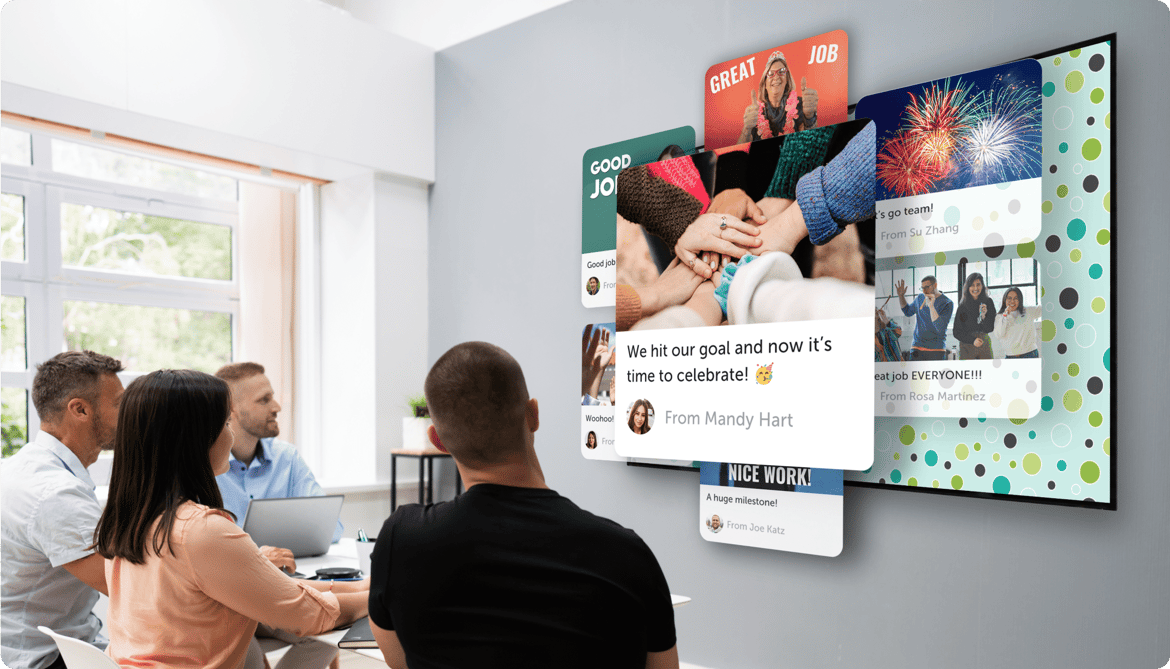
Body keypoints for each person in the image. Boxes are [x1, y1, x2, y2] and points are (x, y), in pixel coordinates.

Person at [367, 342, 678, 669]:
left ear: (438, 441)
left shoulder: (402, 540)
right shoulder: (627, 554)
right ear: (533, 415)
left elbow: (400, 661)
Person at [94, 369, 369, 669]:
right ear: (195, 439)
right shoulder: (201, 531)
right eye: (225, 422)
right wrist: (381, 597)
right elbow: (305, 613)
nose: (231, 434)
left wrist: (363, 588)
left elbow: (285, 593)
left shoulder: (130, 520)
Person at [212, 362, 342, 669]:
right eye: (264, 400)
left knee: (329, 627)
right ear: (231, 411)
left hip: (281, 586)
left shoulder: (287, 458)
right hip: (231, 599)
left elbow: (331, 529)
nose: (277, 407)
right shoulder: (207, 466)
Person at [1, 351, 124, 669]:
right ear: (80, 409)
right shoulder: (55, 494)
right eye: (119, 404)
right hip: (45, 658)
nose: (130, 415)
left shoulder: (24, 467)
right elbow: (126, 588)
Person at [736, 50, 819, 144]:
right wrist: (746, 129)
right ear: (765, 83)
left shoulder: (800, 104)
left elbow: (811, 141)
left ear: (787, 79)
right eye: (771, 73)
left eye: (782, 71)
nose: (776, 77)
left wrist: (809, 117)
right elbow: (740, 151)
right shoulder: (755, 112)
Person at [897, 275, 954, 361]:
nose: (924, 291)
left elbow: (940, 328)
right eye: (922, 288)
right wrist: (901, 296)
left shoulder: (947, 303)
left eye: (927, 287)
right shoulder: (920, 298)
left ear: (935, 285)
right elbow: (907, 311)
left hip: (936, 350)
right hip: (917, 347)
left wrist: (931, 306)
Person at [954, 272, 997, 360]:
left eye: (978, 284)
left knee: (987, 371)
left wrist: (984, 316)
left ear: (982, 286)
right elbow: (956, 332)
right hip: (967, 345)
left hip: (984, 343)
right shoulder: (962, 307)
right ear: (968, 287)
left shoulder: (988, 302)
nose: (975, 288)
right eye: (972, 285)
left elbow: (990, 328)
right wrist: (972, 340)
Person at [993, 287, 1040, 358]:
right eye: (1009, 298)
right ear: (1005, 300)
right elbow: (999, 334)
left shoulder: (1028, 311)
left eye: (1016, 298)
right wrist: (1005, 315)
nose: (1012, 301)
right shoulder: (999, 317)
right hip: (1010, 356)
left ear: (1020, 300)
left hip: (1030, 354)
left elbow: (1044, 309)